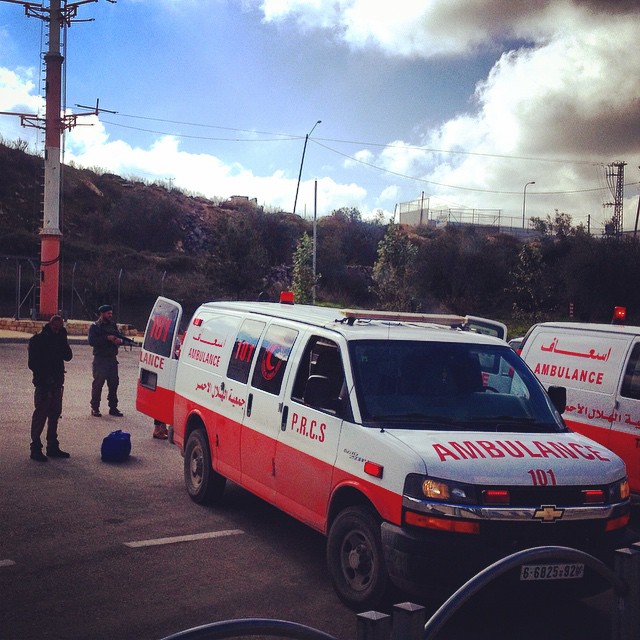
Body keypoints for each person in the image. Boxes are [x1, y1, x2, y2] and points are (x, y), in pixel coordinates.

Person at [28, 315, 73, 462]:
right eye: (55, 326)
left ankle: (52, 446)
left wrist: (64, 340)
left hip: (57, 383)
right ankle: (35, 447)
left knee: (54, 415)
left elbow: (68, 356)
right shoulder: (38, 340)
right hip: (43, 383)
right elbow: (33, 364)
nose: (57, 329)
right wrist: (45, 378)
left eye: (59, 327)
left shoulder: (60, 339)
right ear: (49, 325)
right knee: (40, 415)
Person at [88, 304, 124, 417]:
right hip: (100, 360)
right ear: (102, 314)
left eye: (111, 313)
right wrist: (106, 339)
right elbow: (92, 341)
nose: (110, 315)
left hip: (112, 359)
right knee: (98, 385)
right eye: (108, 313)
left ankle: (113, 407)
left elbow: (119, 337)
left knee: (114, 384)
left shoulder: (113, 325)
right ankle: (95, 408)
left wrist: (119, 341)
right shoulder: (95, 326)